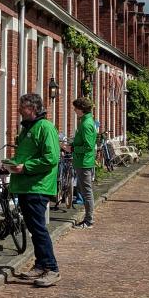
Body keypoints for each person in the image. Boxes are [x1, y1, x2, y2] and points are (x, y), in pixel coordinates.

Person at [5, 93, 61, 288]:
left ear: (34, 109)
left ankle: (52, 269)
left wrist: (25, 167)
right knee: (33, 229)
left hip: (38, 186)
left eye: (24, 107)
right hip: (26, 185)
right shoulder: (28, 128)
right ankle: (40, 265)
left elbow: (51, 158)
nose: (20, 110)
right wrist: (9, 164)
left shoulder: (45, 128)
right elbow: (26, 154)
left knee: (38, 228)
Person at [67, 96, 97, 229]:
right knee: (84, 190)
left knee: (86, 191)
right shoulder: (85, 121)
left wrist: (72, 148)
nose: (74, 110)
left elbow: (88, 146)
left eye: (76, 108)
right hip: (82, 161)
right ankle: (88, 218)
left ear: (81, 109)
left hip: (84, 162)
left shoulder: (86, 124)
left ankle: (89, 220)